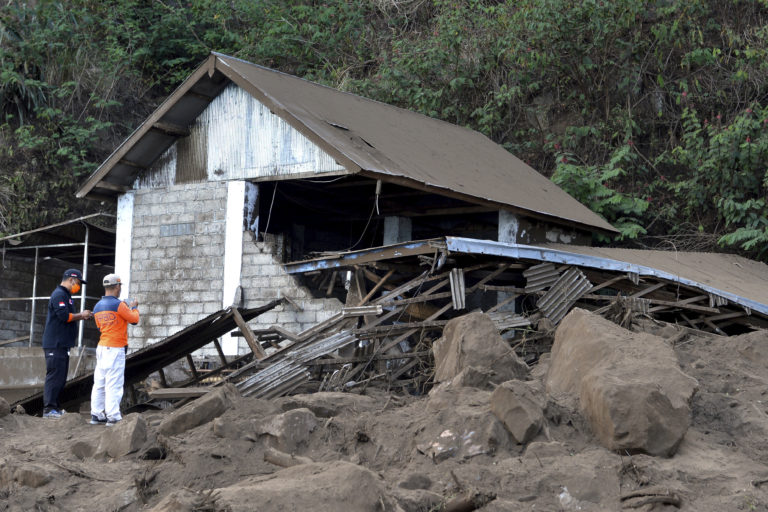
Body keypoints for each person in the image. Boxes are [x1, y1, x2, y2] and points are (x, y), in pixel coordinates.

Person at [41, 269, 93, 418]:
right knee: (55, 376)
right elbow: (63, 316)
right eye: (78, 283)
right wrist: (81, 315)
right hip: (55, 344)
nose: (79, 287)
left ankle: (55, 408)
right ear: (71, 280)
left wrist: (81, 316)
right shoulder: (59, 294)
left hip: (62, 344)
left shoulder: (67, 296)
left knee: (61, 377)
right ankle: (49, 409)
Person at [90, 273, 139, 426]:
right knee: (114, 383)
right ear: (117, 286)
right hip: (115, 348)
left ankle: (96, 414)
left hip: (102, 347)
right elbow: (134, 320)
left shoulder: (97, 306)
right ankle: (113, 416)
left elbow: (100, 327)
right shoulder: (119, 305)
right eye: (120, 286)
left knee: (99, 382)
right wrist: (135, 307)